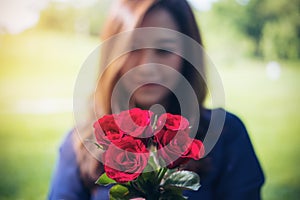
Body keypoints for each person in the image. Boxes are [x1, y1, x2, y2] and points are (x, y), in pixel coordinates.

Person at [48, 0, 265, 199]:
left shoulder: (226, 134)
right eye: (133, 49)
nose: (148, 67)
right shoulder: (79, 144)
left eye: (164, 50)